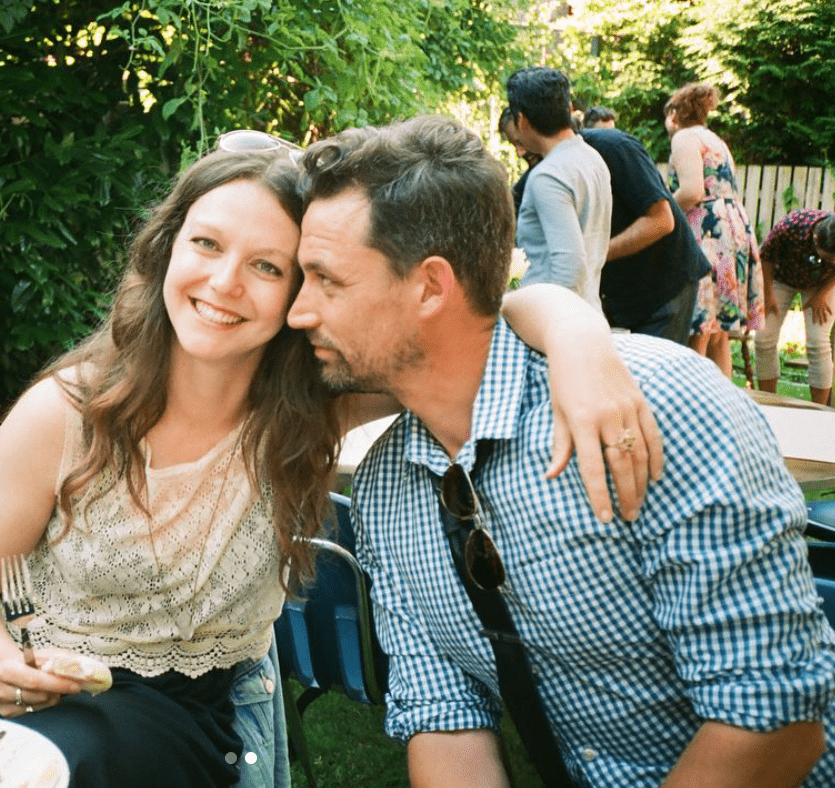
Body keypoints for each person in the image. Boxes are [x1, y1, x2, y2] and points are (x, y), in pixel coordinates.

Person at [0, 134, 661, 788]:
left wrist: (578, 339)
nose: (223, 283)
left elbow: (473, 320)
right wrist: (5, 665)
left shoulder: (316, 403)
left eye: (267, 267)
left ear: (299, 291)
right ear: (167, 246)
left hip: (159, 723)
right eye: (207, 244)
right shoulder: (73, 410)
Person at [287, 114, 835, 788]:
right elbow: (442, 710)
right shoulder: (385, 488)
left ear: (430, 286)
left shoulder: (657, 408)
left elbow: (775, 717)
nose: (298, 311)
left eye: (326, 281)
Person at [666, 81, 765, 376]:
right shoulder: (715, 140)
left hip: (706, 228)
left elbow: (691, 192)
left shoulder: (684, 138)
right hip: (731, 226)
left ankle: (689, 401)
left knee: (698, 325)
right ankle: (723, 401)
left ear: (674, 114)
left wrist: (663, 214)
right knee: (719, 330)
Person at [579, 125, 711, 343]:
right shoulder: (542, 168)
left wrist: (595, 255)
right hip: (621, 295)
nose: (520, 153)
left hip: (664, 284)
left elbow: (661, 220)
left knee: (657, 372)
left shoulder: (613, 147)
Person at [506, 67, 611, 311]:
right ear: (570, 108)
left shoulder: (548, 176)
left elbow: (570, 268)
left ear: (521, 120)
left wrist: (555, 327)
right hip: (589, 307)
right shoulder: (592, 158)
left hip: (557, 320)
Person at [755, 209, 835, 405]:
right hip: (782, 278)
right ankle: (769, 402)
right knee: (764, 337)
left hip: (822, 283)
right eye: (830, 258)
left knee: (818, 342)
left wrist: (821, 295)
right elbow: (766, 256)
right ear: (816, 240)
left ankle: (819, 410)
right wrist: (768, 294)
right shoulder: (791, 226)